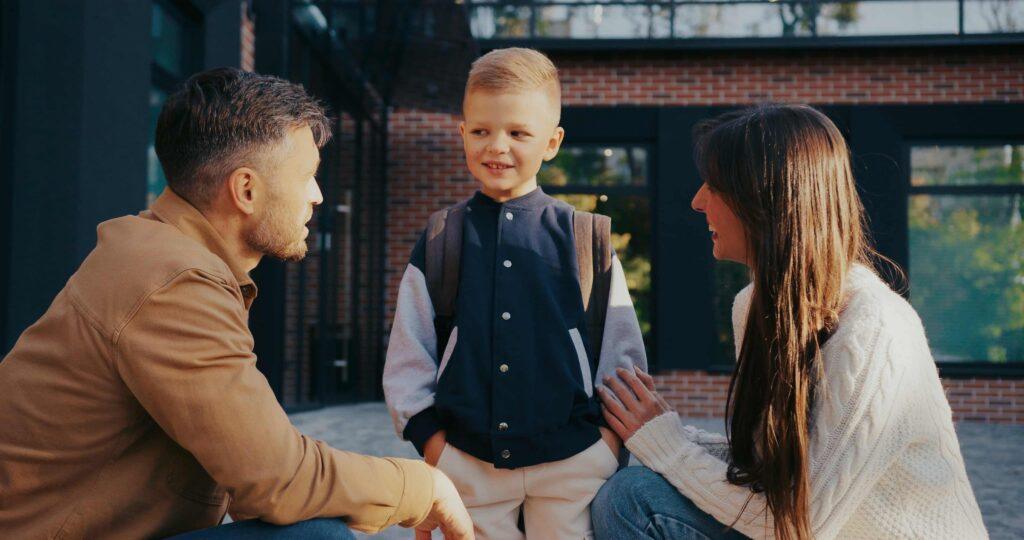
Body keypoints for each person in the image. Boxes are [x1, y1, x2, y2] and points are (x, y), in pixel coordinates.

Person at [0, 68, 472, 540]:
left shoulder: (157, 254)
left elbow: (258, 473)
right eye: (308, 177)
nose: (318, 196)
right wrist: (423, 486)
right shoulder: (176, 281)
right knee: (313, 538)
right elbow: (278, 479)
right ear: (246, 190)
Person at [594, 104, 987, 539]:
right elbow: (769, 471)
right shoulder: (755, 306)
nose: (697, 201)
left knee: (631, 497)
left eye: (715, 185)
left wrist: (665, 445)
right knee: (634, 494)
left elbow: (800, 523)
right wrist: (667, 433)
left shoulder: (874, 328)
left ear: (764, 201)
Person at [383, 48, 647, 540]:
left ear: (552, 142)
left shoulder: (586, 237)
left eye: (518, 133)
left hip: (573, 463)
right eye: (481, 131)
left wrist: (609, 444)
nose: (496, 146)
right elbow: (408, 352)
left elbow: (622, 354)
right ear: (462, 133)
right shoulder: (443, 236)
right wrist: (434, 444)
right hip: (469, 463)